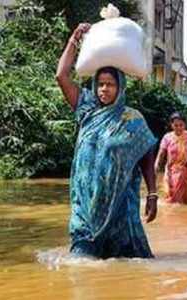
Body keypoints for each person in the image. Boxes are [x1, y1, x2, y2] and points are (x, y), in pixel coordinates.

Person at [56, 23, 158, 258]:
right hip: (84, 206)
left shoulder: (132, 119)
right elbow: (61, 76)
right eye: (100, 84)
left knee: (124, 265)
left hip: (120, 209)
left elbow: (146, 159)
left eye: (110, 84)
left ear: (120, 86)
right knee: (81, 263)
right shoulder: (86, 109)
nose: (104, 89)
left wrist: (152, 194)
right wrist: (74, 40)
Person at [155, 112, 187, 205]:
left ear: (185, 125)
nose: (178, 128)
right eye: (176, 125)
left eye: (181, 125)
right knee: (174, 200)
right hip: (173, 172)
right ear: (171, 125)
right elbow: (161, 154)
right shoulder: (167, 137)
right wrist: (156, 167)